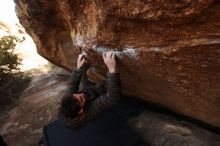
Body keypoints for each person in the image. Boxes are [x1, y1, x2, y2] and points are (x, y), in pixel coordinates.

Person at [59, 50, 121, 130]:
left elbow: (73, 84)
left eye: (76, 94)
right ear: (81, 111)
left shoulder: (67, 100)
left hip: (85, 95)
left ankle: (85, 65)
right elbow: (112, 97)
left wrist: (78, 67)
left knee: (81, 72)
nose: (81, 95)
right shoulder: (89, 112)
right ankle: (101, 87)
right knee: (105, 87)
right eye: (81, 99)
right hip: (89, 103)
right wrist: (112, 70)